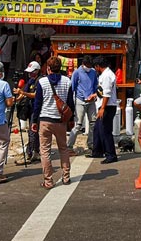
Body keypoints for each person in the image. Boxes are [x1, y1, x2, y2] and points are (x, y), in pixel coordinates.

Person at [31, 56, 76, 189]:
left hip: (45, 120)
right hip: (60, 121)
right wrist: (71, 119)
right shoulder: (67, 81)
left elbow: (37, 104)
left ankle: (48, 181)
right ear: (60, 68)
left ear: (48, 68)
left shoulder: (42, 82)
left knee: (45, 151)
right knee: (63, 148)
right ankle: (66, 177)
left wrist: (34, 120)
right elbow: (70, 103)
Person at [90, 56, 119, 164]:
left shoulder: (107, 75)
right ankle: (97, 151)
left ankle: (111, 154)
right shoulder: (105, 74)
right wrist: (94, 95)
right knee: (98, 129)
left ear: (98, 66)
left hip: (107, 106)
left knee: (105, 131)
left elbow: (106, 93)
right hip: (104, 104)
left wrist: (102, 108)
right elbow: (102, 92)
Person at [68, 55, 98, 156]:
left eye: (90, 65)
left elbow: (95, 85)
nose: (88, 67)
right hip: (80, 100)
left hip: (91, 101)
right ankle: (69, 146)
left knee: (93, 123)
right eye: (87, 65)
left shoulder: (93, 72)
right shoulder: (77, 72)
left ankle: (91, 145)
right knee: (78, 125)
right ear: (83, 64)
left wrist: (94, 95)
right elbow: (72, 87)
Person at [14, 61, 42, 165]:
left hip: (37, 110)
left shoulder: (40, 81)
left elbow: (35, 95)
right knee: (33, 132)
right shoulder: (30, 80)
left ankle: (30, 154)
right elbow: (23, 92)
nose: (30, 74)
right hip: (30, 109)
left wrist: (23, 93)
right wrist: (16, 99)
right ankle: (35, 151)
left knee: (32, 131)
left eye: (32, 72)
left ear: (37, 71)